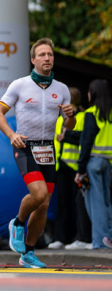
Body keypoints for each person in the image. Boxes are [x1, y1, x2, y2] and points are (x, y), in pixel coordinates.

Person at [0, 37, 74, 269]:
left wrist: (70, 116)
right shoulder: (20, 85)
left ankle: (28, 253)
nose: (47, 58)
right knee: (38, 194)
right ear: (33, 59)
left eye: (50, 54)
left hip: (48, 148)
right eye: (42, 55)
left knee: (44, 204)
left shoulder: (62, 89)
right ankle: (17, 224)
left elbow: (69, 126)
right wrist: (11, 135)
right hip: (25, 146)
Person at [50, 87, 92, 250]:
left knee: (79, 204)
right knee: (62, 203)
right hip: (61, 165)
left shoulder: (82, 117)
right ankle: (61, 237)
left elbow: (84, 138)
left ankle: (79, 237)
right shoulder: (59, 119)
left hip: (77, 166)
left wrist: (65, 137)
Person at [75, 79, 112, 250]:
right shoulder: (110, 114)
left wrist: (80, 169)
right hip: (108, 162)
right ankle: (109, 238)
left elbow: (86, 142)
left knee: (95, 203)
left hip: (94, 162)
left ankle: (99, 241)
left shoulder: (91, 113)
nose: (88, 94)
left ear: (94, 93)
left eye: (89, 91)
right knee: (106, 202)